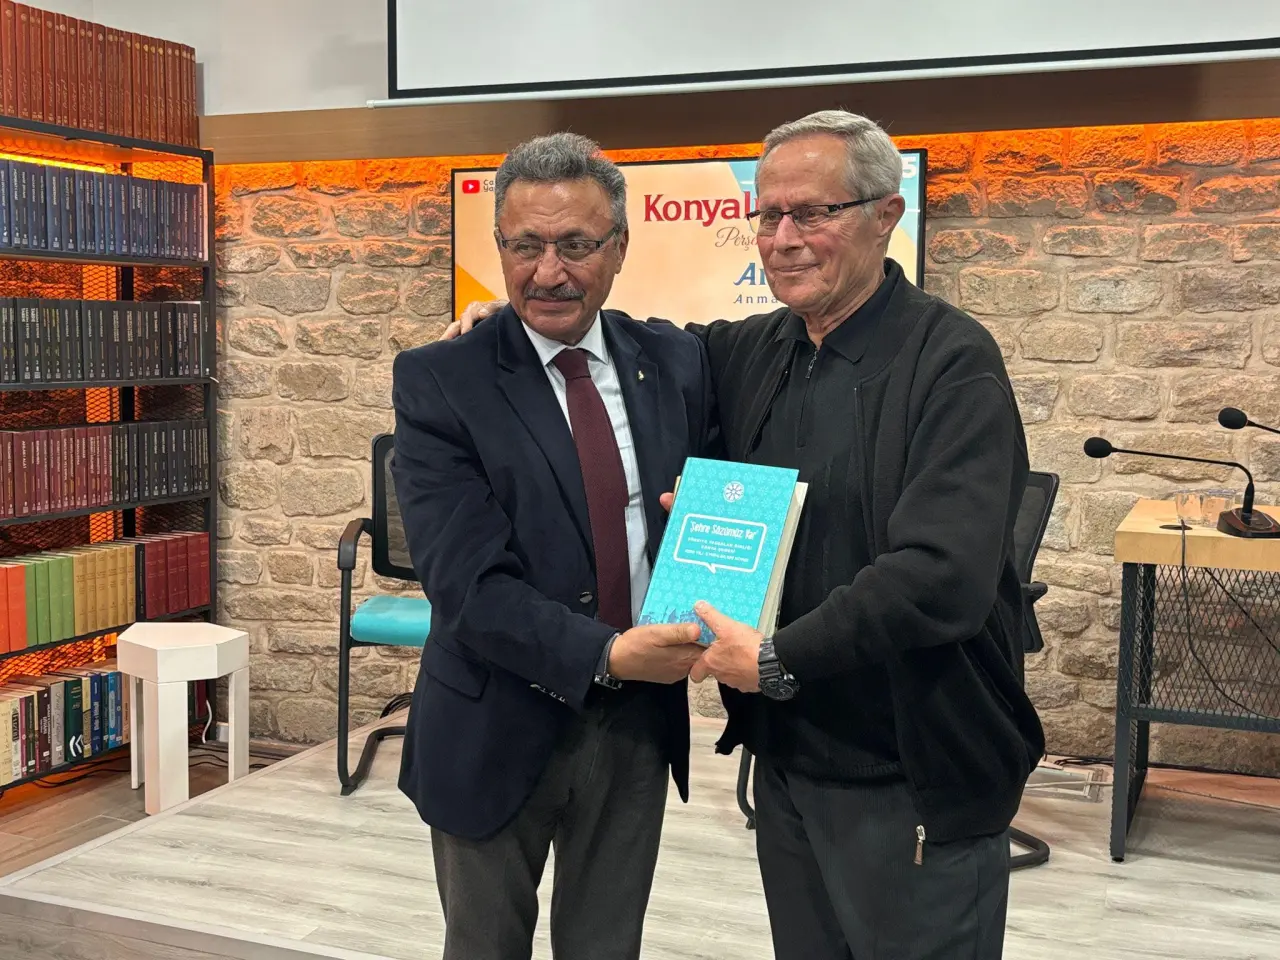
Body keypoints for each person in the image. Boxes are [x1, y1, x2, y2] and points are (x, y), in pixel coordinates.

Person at [447, 109, 1046, 960]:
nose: (783, 239)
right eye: (768, 216)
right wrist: (505, 330)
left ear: (886, 215)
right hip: (790, 761)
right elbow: (628, 349)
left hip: (915, 768)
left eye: (813, 213)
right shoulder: (753, 350)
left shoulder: (951, 361)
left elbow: (942, 573)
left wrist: (775, 659)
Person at [390, 132, 717, 960]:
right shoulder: (442, 380)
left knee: (607, 946)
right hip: (493, 719)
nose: (548, 272)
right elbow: (466, 587)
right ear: (499, 246)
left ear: (619, 248)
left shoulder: (675, 362)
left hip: (637, 724)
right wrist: (606, 652)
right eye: (524, 246)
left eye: (576, 245)